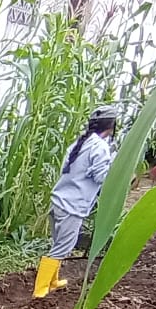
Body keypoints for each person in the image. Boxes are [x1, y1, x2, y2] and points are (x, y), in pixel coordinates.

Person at [37, 105, 118, 298]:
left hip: (59, 201)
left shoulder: (80, 143)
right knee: (62, 247)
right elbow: (101, 177)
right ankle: (40, 290)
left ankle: (53, 281)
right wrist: (116, 169)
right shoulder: (100, 147)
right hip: (72, 206)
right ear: (111, 126)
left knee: (59, 243)